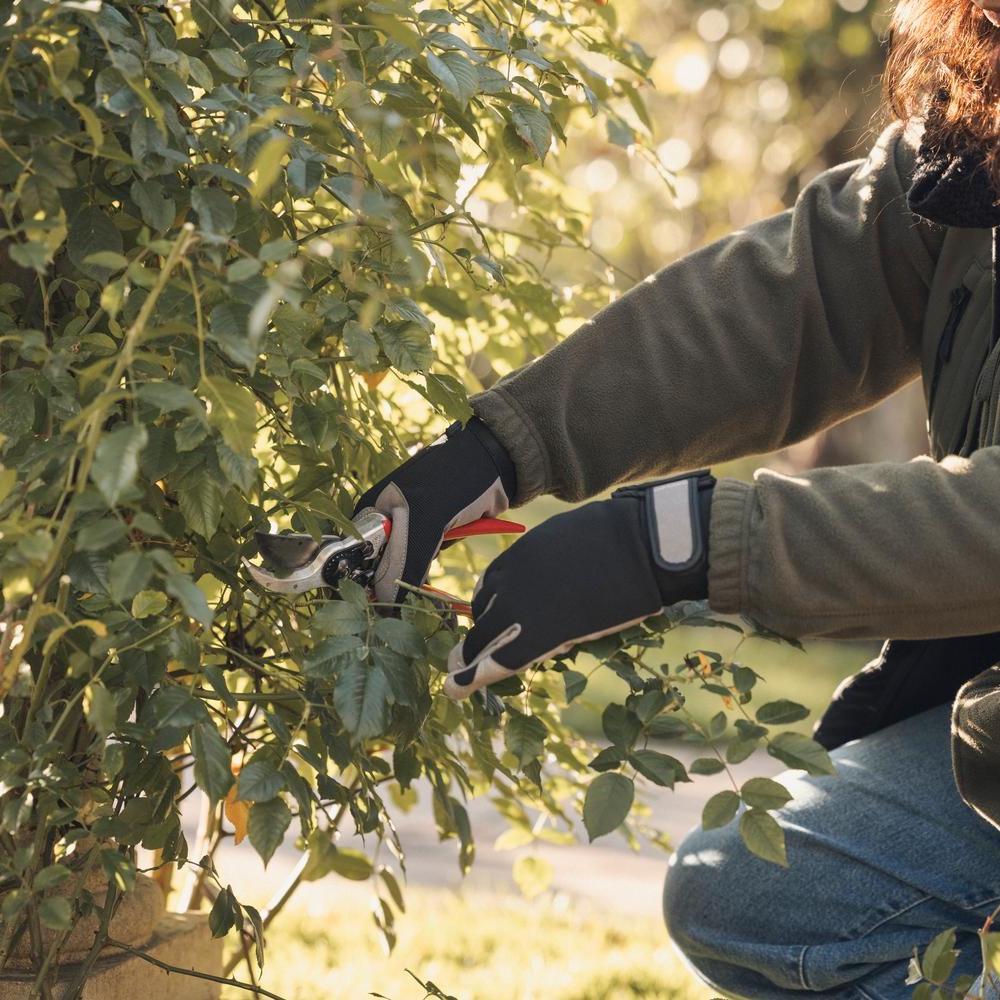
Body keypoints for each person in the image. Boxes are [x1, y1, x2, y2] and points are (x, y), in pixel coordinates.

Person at [353, 0, 1000, 994]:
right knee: (755, 894)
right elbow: (794, 298)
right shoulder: (984, 120)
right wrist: (497, 448)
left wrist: (669, 543)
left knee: (776, 900)